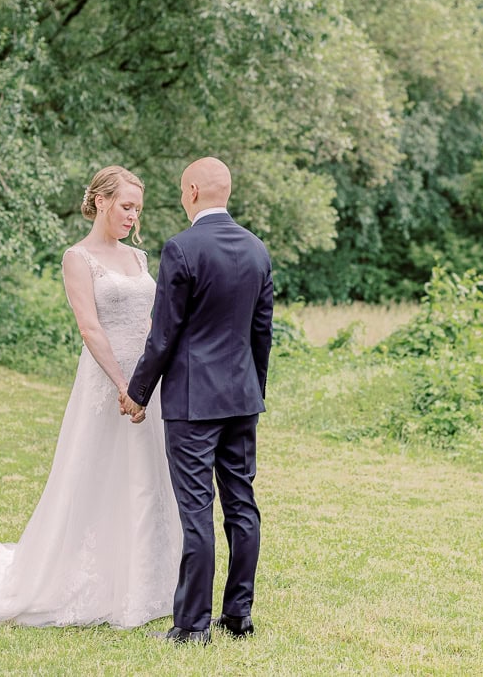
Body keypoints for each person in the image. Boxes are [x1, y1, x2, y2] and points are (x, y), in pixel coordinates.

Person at [0, 166, 181, 629]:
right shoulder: (78, 257)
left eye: (138, 209)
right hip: (107, 383)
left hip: (149, 384)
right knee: (97, 476)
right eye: (127, 206)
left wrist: (149, 380)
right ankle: (88, 581)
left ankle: (148, 581)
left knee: (147, 479)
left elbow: (153, 322)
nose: (133, 216)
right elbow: (90, 327)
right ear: (103, 201)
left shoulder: (140, 259)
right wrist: (123, 386)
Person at [121, 156, 273, 646]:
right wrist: (254, 390)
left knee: (196, 512)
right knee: (241, 506)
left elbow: (163, 337)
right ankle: (238, 616)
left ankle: (191, 626)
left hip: (192, 403)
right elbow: (262, 333)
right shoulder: (257, 250)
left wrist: (137, 391)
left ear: (191, 191)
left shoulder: (182, 249)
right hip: (241, 399)